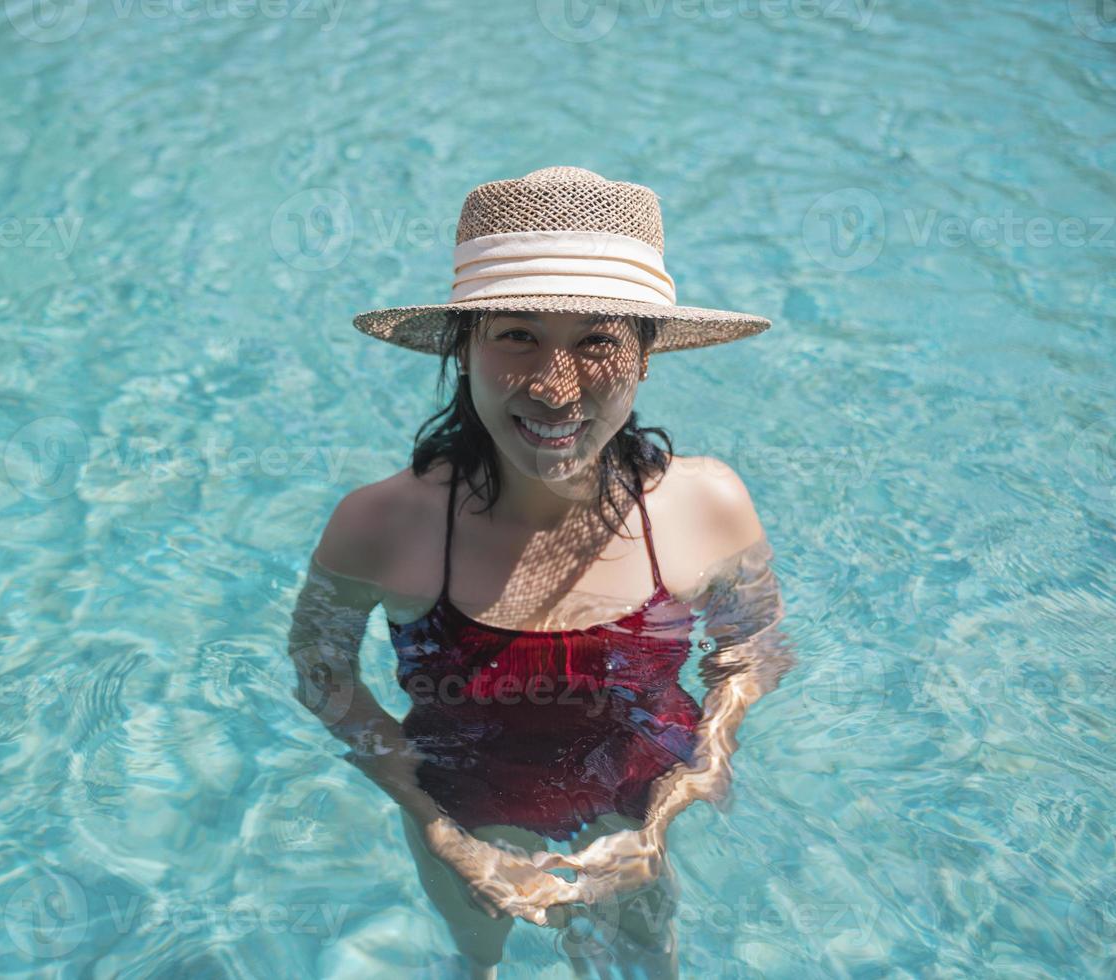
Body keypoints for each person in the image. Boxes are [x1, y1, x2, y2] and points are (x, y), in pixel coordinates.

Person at [288, 167, 794, 978]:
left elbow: (753, 652)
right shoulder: (382, 524)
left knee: (643, 967)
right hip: (464, 815)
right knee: (475, 964)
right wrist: (440, 832)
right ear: (464, 349)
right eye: (517, 334)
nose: (556, 390)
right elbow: (321, 672)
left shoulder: (707, 505)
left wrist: (670, 810)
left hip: (639, 809)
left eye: (596, 340)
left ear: (646, 354)